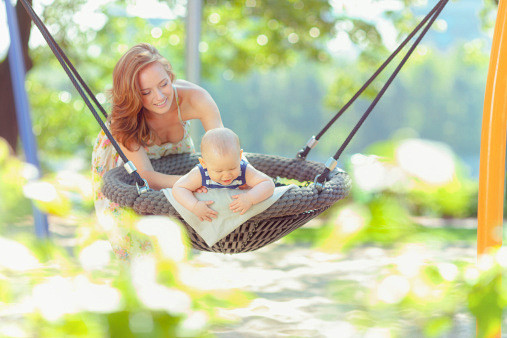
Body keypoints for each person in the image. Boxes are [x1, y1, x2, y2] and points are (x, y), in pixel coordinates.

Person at [91, 43, 223, 259]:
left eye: (163, 84)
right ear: (133, 94)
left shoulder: (196, 99)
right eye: (145, 92)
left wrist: (232, 178)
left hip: (175, 164)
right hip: (126, 166)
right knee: (134, 243)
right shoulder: (123, 120)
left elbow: (223, 147)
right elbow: (146, 177)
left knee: (178, 242)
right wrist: (195, 182)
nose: (159, 96)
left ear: (170, 75)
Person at [172, 128, 275, 222]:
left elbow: (268, 183)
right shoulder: (201, 173)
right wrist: (194, 206)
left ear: (239, 156)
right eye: (218, 171)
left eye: (232, 168)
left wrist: (250, 198)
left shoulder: (243, 170)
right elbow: (178, 188)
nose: (226, 176)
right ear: (204, 163)